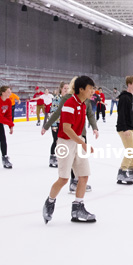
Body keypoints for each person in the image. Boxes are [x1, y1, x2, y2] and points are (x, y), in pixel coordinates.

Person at [42, 76, 98, 225]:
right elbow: (66, 129)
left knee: (84, 176)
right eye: (90, 88)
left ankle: (77, 208)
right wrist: (83, 143)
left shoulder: (83, 104)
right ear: (81, 89)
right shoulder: (69, 104)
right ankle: (50, 201)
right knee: (64, 179)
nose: (92, 91)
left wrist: (83, 141)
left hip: (78, 140)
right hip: (65, 143)